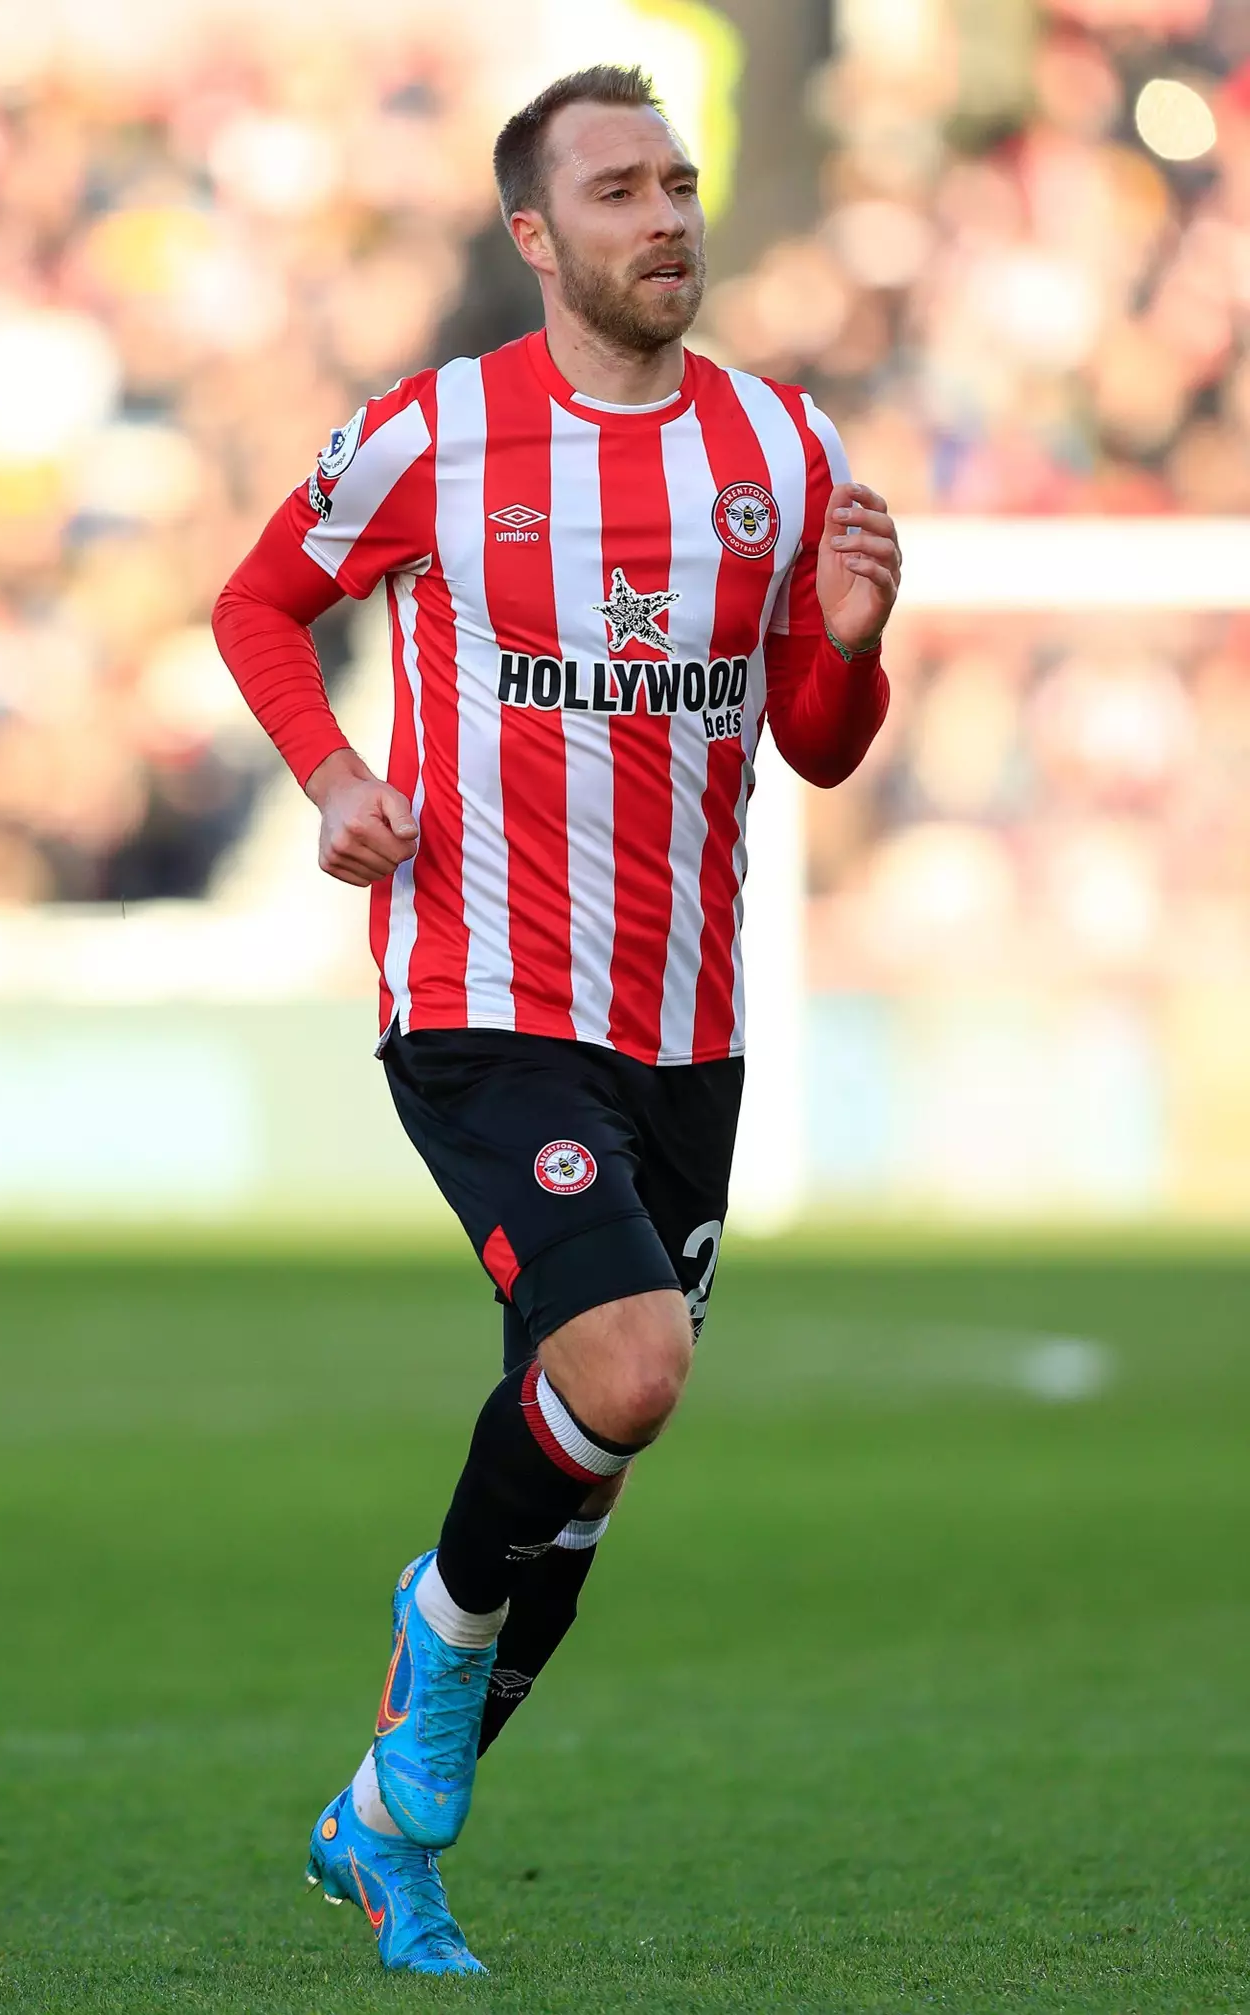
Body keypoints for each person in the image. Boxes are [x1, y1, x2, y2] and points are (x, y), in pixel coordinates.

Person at [213, 63, 900, 1977]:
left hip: (691, 1027)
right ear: (535, 236)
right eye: (617, 190)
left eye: (677, 182)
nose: (664, 214)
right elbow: (260, 604)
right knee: (632, 1367)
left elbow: (814, 752)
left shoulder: (776, 442)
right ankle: (424, 1667)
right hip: (485, 995)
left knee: (580, 1503)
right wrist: (337, 777)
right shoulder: (431, 437)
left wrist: (847, 650)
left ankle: (384, 1823)